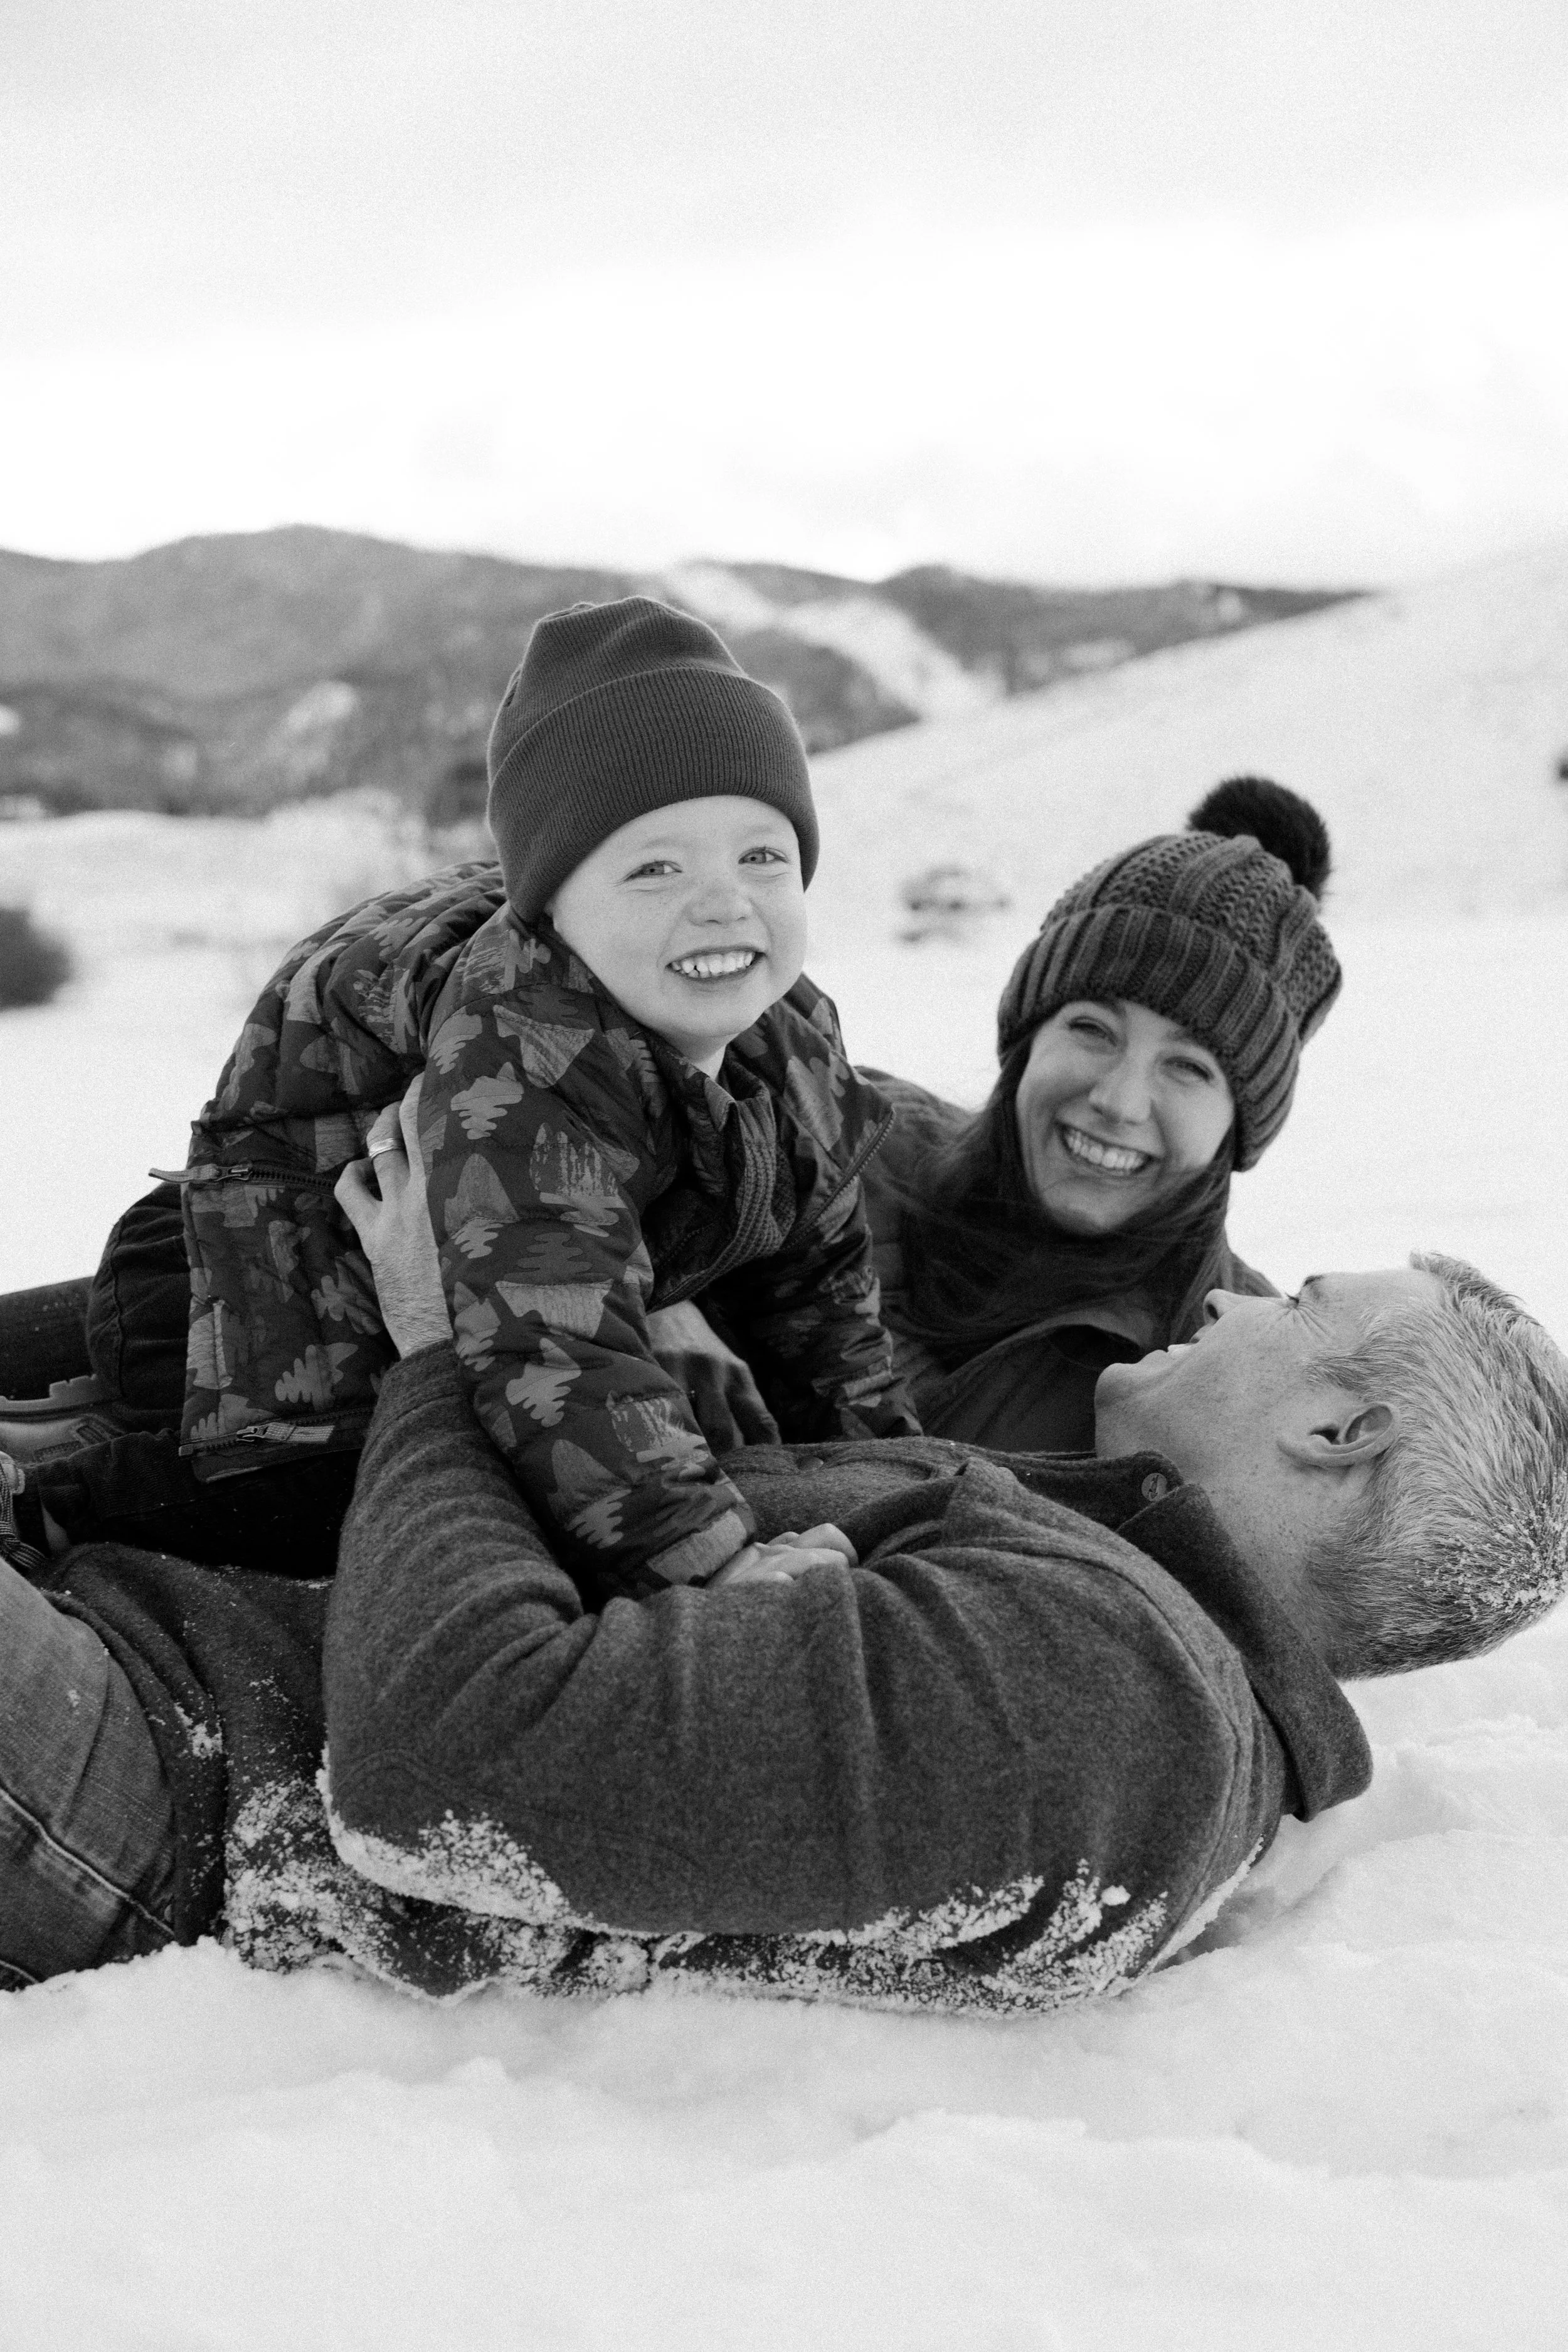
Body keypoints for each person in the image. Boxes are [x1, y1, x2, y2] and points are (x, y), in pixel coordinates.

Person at [3, 1082, 1566, 2009]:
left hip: (145, 1784)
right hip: (137, 1651)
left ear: (1338, 1436)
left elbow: (451, 1763)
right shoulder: (1108, 1592)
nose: (1236, 1295)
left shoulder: (1118, 1698)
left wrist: (449, 1348)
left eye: (1300, 1308)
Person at [1, 597, 916, 1594]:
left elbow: (820, 1289)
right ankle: (49, 1496)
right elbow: (548, 1334)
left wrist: (889, 1465)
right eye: (655, 867)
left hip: (384, 1280)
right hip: (227, 1289)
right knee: (357, 1494)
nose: (723, 900)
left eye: (761, 856)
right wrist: (709, 1557)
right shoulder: (530, 1033)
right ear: (553, 907)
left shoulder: (792, 1048)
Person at [655, 776, 1345, 1457]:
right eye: (1092, 1030)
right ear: (1027, 1040)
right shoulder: (840, 1140)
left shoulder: (1239, 1364)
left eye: (1188, 1068)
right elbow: (580, 1144)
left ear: (1240, 1122)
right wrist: (649, 1305)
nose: (1118, 1101)